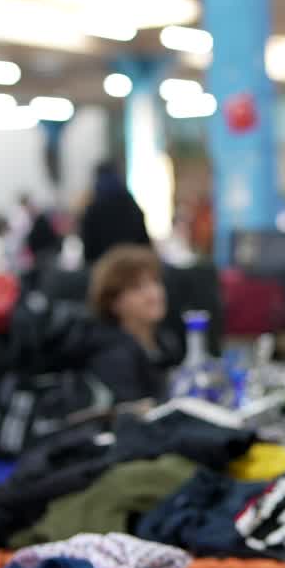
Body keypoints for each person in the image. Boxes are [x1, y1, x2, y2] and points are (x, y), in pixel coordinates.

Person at [85, 245, 182, 402]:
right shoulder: (113, 355)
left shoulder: (167, 342)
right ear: (113, 302)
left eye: (155, 282)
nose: (153, 294)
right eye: (137, 287)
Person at [80, 162, 151, 265]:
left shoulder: (94, 209)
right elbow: (144, 244)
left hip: (104, 270)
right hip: (133, 268)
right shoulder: (132, 205)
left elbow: (88, 251)